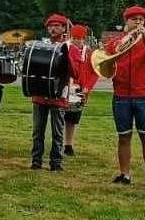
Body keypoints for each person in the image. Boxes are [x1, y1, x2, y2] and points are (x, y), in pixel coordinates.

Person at [107, 6, 145, 186]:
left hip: (144, 94)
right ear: (127, 22)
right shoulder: (116, 41)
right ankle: (125, 174)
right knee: (124, 136)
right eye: (134, 20)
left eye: (141, 20)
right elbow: (107, 61)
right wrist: (124, 43)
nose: (138, 22)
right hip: (121, 94)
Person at [30, 13, 80, 172]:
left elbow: (76, 73)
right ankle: (36, 161)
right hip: (40, 94)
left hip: (58, 95)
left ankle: (56, 162)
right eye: (50, 26)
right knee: (38, 131)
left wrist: (67, 54)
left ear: (64, 28)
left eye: (57, 26)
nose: (53, 28)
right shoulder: (40, 45)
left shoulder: (70, 47)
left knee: (57, 132)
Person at [63, 24, 99, 156]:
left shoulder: (89, 54)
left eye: (80, 38)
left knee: (73, 119)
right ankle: (58, 142)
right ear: (70, 37)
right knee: (59, 117)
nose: (77, 41)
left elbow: (96, 72)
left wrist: (87, 87)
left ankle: (68, 144)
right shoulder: (64, 49)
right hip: (64, 89)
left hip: (79, 91)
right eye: (75, 38)